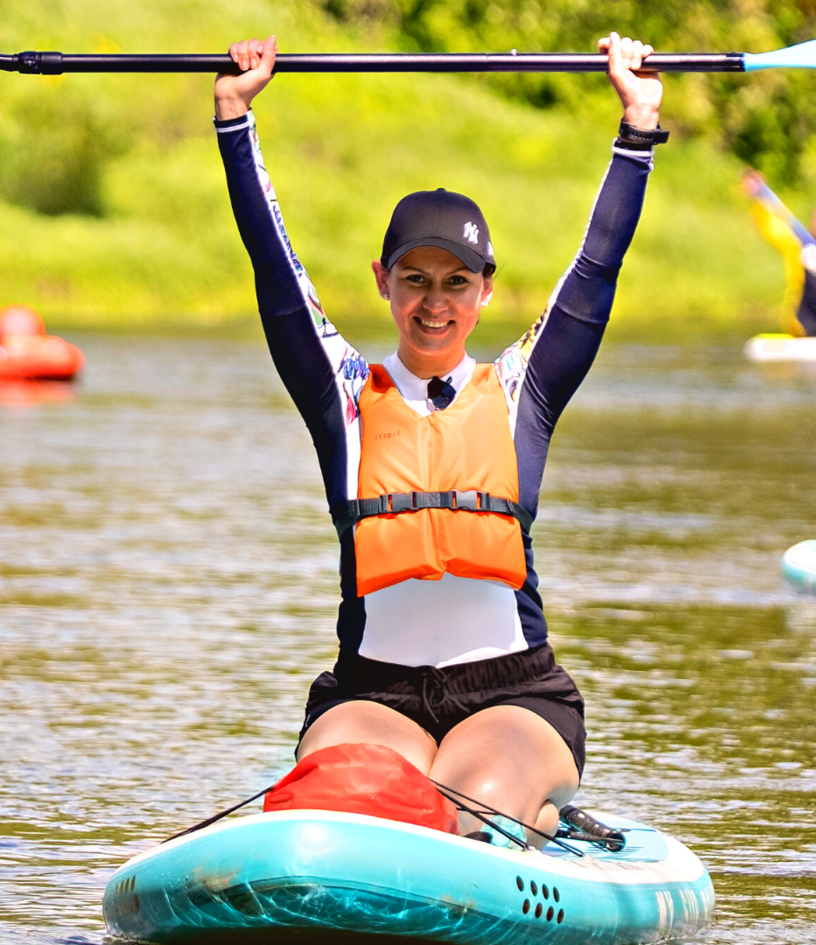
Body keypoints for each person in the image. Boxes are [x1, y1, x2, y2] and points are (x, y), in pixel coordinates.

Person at [211, 32, 666, 845]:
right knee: (336, 806)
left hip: (513, 699)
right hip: (371, 696)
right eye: (415, 279)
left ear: (484, 292)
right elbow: (273, 269)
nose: (434, 302)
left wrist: (636, 129)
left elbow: (594, 272)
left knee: (468, 810)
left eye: (457, 281)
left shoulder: (522, 389)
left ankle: (531, 815)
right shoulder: (344, 395)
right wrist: (235, 120)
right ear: (383, 280)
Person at [741, 170, 816, 337]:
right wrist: (758, 196)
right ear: (813, 221)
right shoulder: (797, 243)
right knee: (809, 329)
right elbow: (770, 226)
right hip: (800, 314)